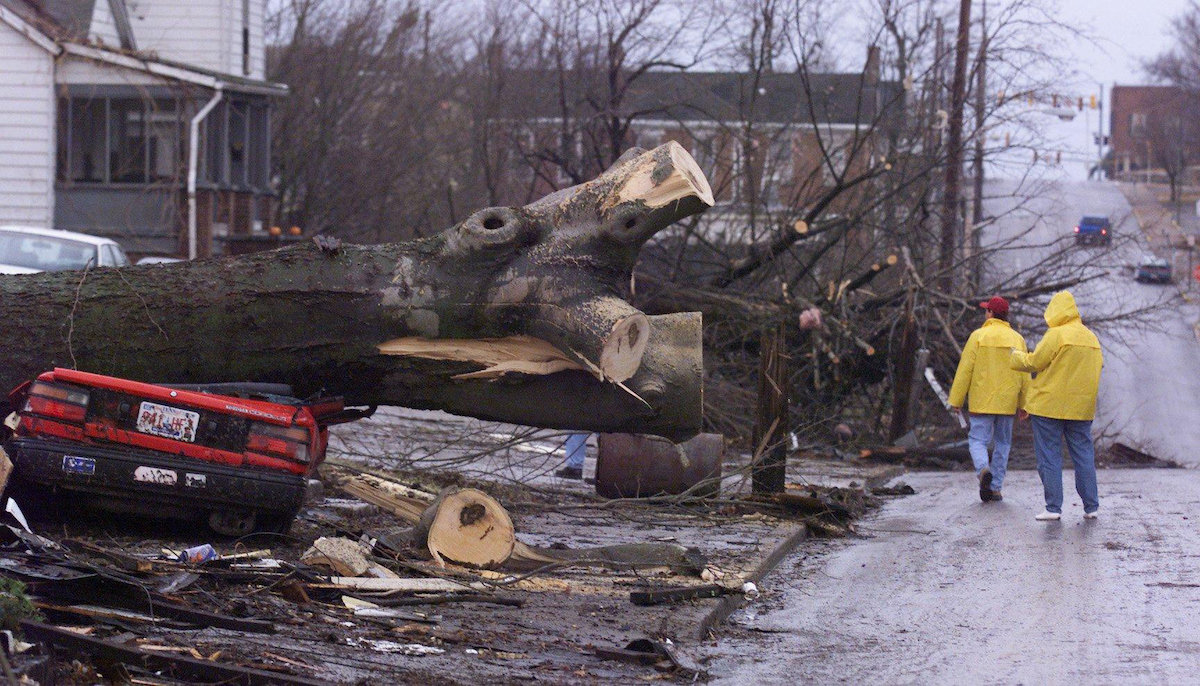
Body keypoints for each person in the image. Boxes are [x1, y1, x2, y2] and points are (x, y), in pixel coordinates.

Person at [1010, 291, 1103, 521]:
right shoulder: (1091, 338)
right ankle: (1091, 507)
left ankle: (1053, 508)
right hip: (1081, 408)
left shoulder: (1056, 335)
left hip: (1048, 406)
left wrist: (1015, 356)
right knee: (1083, 456)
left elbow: (1035, 362)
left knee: (1049, 456)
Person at [948, 296, 1031, 503]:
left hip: (981, 400)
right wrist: (1025, 403)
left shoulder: (978, 336)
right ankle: (995, 488)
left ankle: (983, 469)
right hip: (1006, 401)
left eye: (987, 310)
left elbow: (965, 370)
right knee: (1003, 443)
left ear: (991, 314)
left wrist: (956, 400)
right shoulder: (1017, 339)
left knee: (977, 440)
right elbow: (1024, 373)